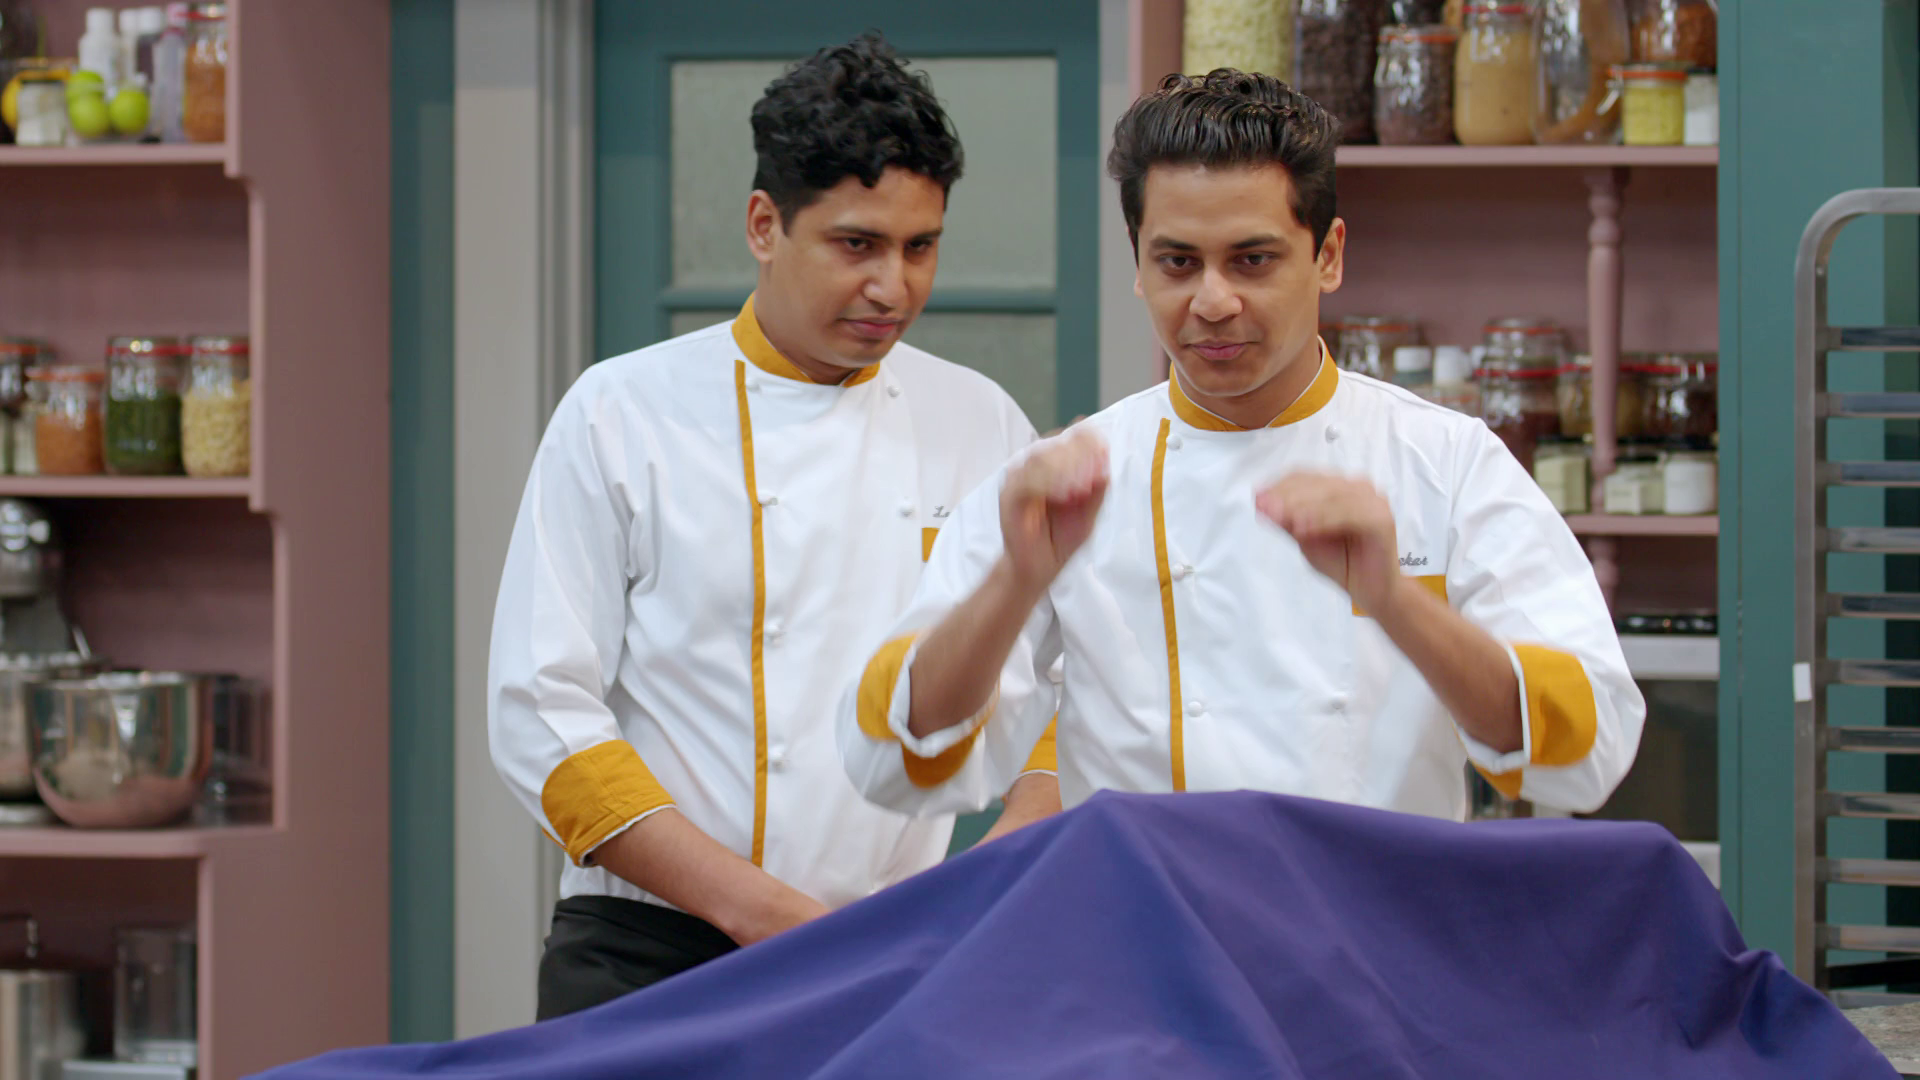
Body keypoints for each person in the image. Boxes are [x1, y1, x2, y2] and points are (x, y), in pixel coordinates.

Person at [839, 70, 1643, 827]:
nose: (1213, 301)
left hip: (1369, 920)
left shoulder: (1447, 461)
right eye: (1178, 263)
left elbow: (1588, 751)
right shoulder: (1066, 480)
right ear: (1138, 264)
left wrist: (1396, 603)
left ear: (1328, 256)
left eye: (1252, 261)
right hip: (1151, 922)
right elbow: (890, 762)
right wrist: (1012, 585)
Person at [489, 33, 1060, 1021]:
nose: (893, 287)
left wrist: (981, 895)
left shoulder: (982, 425)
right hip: (646, 954)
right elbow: (541, 716)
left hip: (893, 951)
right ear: (765, 225)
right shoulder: (622, 413)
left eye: (920, 247)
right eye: (856, 245)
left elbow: (1064, 689)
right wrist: (763, 914)